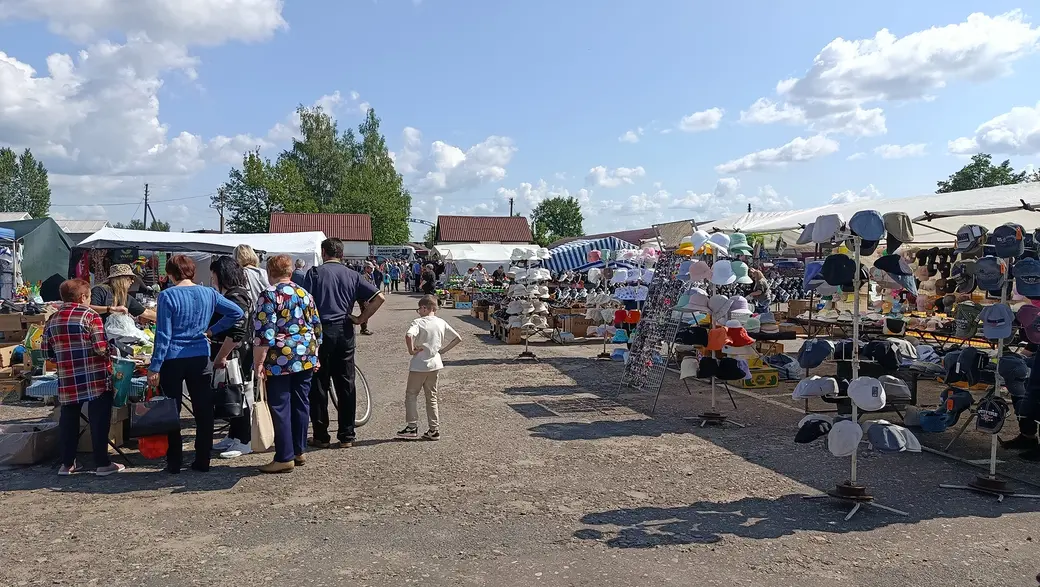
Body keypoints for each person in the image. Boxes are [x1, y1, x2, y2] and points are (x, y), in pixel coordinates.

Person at [148, 255, 244, 474]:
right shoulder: (208, 293)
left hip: (173, 358)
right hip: (200, 355)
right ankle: (203, 460)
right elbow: (236, 312)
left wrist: (155, 366)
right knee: (203, 410)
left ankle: (174, 462)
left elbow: (163, 334)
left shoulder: (167, 295)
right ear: (192, 272)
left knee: (172, 410)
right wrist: (212, 330)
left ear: (171, 274)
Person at [301, 238, 384, 448]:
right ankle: (347, 435)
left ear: (323, 252)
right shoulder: (353, 274)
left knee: (319, 383)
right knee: (346, 383)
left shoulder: (314, 273)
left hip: (321, 330)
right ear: (342, 254)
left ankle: (321, 435)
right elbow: (379, 297)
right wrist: (361, 318)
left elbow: (305, 303)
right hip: (345, 329)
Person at [43, 279, 125, 476]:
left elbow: (47, 354)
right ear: (82, 297)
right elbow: (100, 348)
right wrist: (113, 349)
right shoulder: (90, 316)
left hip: (68, 378)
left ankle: (67, 464)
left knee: (68, 420)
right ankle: (102, 463)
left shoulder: (52, 319)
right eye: (88, 297)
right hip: (94, 377)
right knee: (99, 420)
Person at [252, 255, 322, 473]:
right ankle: (299, 450)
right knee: (301, 403)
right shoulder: (305, 294)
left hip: (279, 358)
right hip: (305, 354)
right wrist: (316, 353)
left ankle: (284, 456)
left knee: (280, 406)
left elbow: (265, 333)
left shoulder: (269, 295)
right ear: (290, 272)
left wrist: (258, 363)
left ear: (270, 272)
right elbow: (316, 326)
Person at [208, 256, 255, 459]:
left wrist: (221, 355)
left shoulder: (236, 297)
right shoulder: (234, 294)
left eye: (214, 275)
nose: (212, 279)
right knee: (230, 393)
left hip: (236, 354)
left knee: (239, 394)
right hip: (233, 352)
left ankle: (244, 440)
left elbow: (236, 332)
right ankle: (234, 434)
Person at [398, 295, 461, 441]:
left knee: (411, 394)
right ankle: (434, 429)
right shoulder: (441, 322)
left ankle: (412, 427)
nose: (418, 311)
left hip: (419, 364)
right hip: (435, 363)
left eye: (419, 309)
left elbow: (408, 336)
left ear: (425, 308)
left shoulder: (418, 322)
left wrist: (411, 350)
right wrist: (443, 351)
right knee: (431, 396)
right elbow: (458, 337)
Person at [89, 264, 157, 323]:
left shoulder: (125, 297)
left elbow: (146, 313)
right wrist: (111, 309)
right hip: (99, 333)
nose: (132, 281)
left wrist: (164, 319)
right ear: (122, 279)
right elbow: (89, 309)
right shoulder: (100, 290)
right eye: (131, 278)